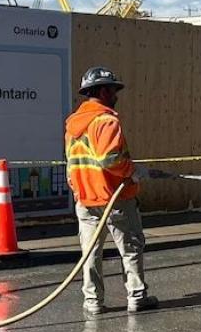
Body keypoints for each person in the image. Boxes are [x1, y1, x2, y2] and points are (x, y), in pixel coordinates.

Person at [65, 66, 158, 315]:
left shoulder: (74, 125)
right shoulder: (106, 120)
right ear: (103, 91)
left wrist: (77, 191)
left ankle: (93, 301)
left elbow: (72, 164)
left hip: (86, 199)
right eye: (113, 90)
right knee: (131, 248)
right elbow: (110, 159)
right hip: (115, 199)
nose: (116, 94)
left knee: (90, 253)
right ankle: (137, 296)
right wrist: (132, 172)